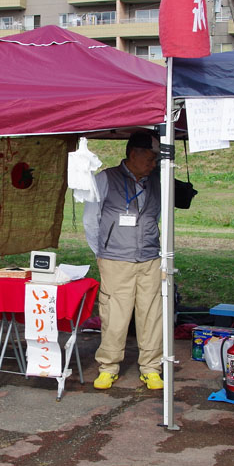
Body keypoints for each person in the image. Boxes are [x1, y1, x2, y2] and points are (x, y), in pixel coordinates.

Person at [82, 131, 163, 390]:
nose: (153, 164)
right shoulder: (106, 178)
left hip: (150, 258)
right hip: (115, 258)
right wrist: (101, 253)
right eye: (150, 158)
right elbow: (90, 219)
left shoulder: (158, 181)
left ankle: (151, 367)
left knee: (152, 315)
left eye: (156, 159)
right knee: (114, 315)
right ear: (133, 154)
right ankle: (108, 366)